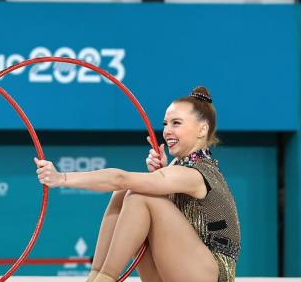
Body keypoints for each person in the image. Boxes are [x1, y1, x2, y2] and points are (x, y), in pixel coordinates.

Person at [34, 86, 240, 282]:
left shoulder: (196, 173)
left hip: (210, 275)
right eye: (165, 124)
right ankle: (96, 274)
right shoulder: (181, 168)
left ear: (202, 129)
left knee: (138, 195)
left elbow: (120, 178)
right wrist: (163, 172)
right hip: (182, 268)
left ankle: (106, 277)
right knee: (124, 193)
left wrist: (62, 179)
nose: (167, 131)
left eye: (176, 123)